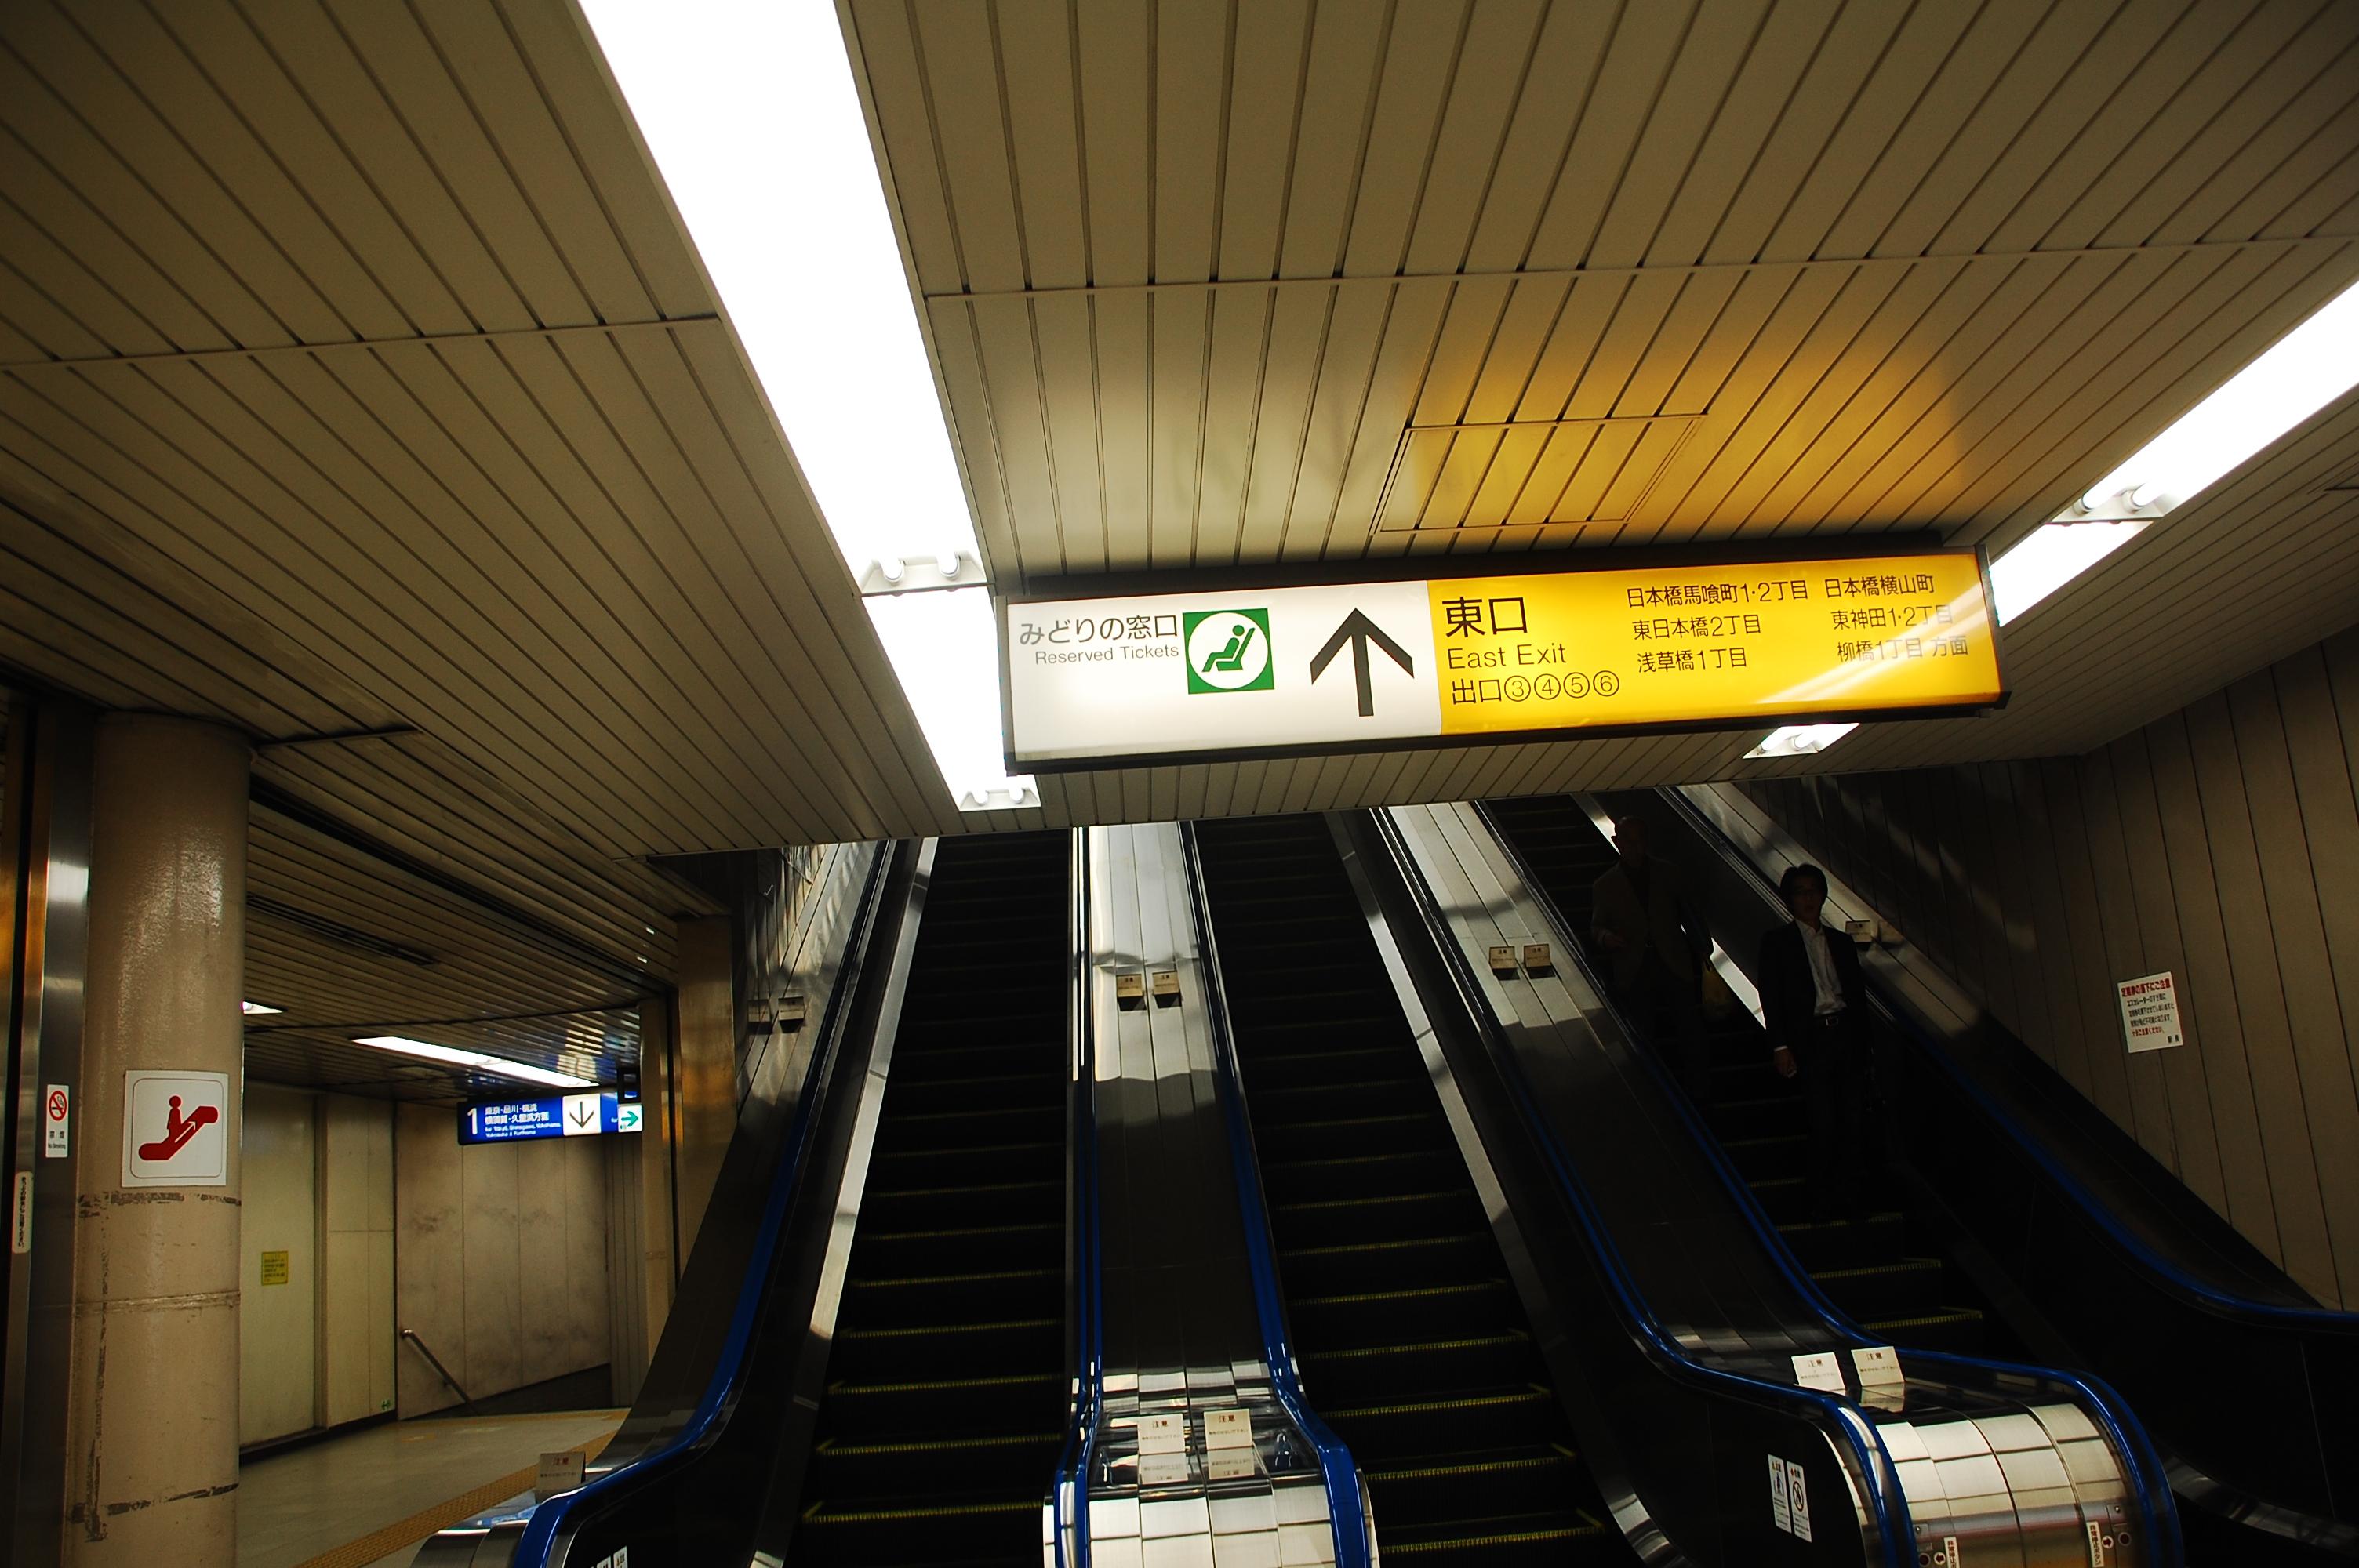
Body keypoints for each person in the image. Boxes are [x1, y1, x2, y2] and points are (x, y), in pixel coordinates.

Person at [1756, 862, 1872, 1223]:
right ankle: (1821, 1199)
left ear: (1823, 896)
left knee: (1853, 1120)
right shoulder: (1778, 942)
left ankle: (1851, 1199)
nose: (1808, 898)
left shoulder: (1841, 942)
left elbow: (1857, 996)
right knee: (1822, 1122)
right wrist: (1780, 1046)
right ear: (1790, 900)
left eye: (1813, 891)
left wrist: (1864, 1043)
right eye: (1800, 892)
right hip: (1810, 1039)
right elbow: (1771, 996)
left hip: (1844, 1034)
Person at [1590, 815, 1712, 1101]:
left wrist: (1702, 948)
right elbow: (1597, 926)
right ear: (1617, 842)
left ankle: (1699, 1092)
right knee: (1643, 1032)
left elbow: (1690, 913)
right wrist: (1607, 938)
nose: (1636, 847)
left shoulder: (1668, 873)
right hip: (1635, 965)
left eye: (1640, 840)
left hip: (1673, 961)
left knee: (1690, 1030)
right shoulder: (1605, 885)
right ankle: (1653, 1095)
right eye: (1628, 841)